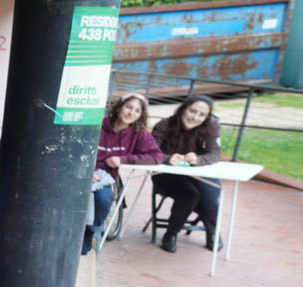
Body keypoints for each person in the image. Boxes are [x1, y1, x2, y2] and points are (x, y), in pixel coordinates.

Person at [84, 93, 163, 254]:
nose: (131, 113)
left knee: (103, 199)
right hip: (83, 171)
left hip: (104, 177)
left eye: (137, 111)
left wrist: (124, 159)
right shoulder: (98, 124)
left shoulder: (138, 133)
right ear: (119, 107)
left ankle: (89, 233)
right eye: (128, 107)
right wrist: (86, 171)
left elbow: (156, 157)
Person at [150, 96, 223, 253]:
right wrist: (168, 158)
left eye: (202, 115)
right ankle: (171, 234)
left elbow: (215, 154)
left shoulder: (211, 127)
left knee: (209, 196)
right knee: (190, 195)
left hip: (199, 172)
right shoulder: (164, 124)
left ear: (206, 117)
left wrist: (199, 159)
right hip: (166, 174)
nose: (195, 117)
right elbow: (150, 152)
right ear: (184, 108)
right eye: (192, 111)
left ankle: (212, 232)